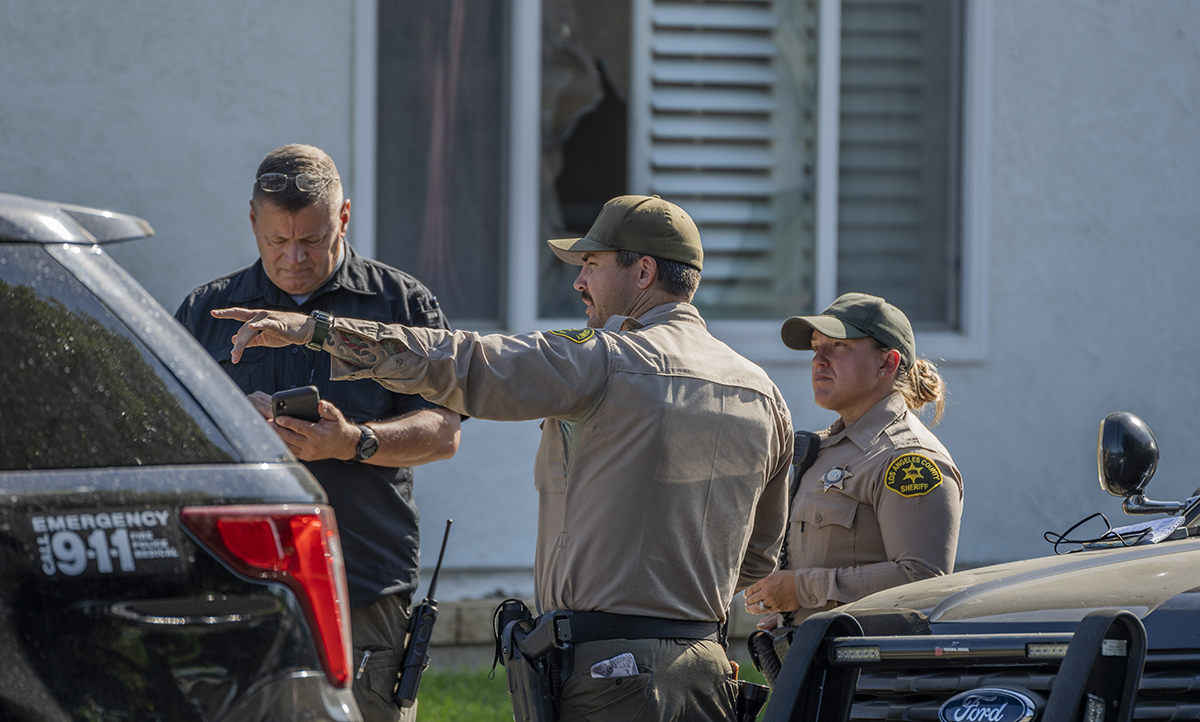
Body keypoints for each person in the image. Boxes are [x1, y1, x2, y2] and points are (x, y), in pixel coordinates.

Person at [213, 194, 793, 722]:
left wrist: (317, 331)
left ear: (642, 271)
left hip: (608, 676)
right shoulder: (764, 393)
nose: (579, 283)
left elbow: (460, 361)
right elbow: (759, 558)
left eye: (592, 265)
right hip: (706, 672)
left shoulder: (606, 360)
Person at [174, 144, 461, 722]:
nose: (295, 258)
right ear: (252, 220)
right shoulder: (208, 312)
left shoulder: (400, 304)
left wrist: (352, 441)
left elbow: (443, 432)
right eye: (277, 241)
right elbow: (164, 440)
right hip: (239, 583)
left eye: (312, 239)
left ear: (345, 218)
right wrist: (231, 422)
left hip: (361, 580)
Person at [743, 293, 963, 632]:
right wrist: (792, 614)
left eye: (838, 347)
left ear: (887, 364)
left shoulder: (908, 459)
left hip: (871, 679)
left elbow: (922, 580)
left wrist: (800, 590)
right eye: (816, 347)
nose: (819, 360)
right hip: (820, 665)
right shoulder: (829, 447)